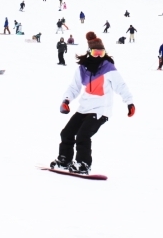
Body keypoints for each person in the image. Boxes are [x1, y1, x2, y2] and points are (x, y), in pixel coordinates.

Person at [50, 32, 135, 175]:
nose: (98, 56)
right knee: (67, 133)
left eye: (101, 53)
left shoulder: (108, 68)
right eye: (95, 53)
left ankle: (83, 164)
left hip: (101, 110)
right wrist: (66, 100)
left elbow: (121, 85)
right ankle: (64, 160)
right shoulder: (82, 69)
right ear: (90, 52)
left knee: (83, 135)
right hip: (84, 108)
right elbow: (74, 87)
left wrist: (130, 103)